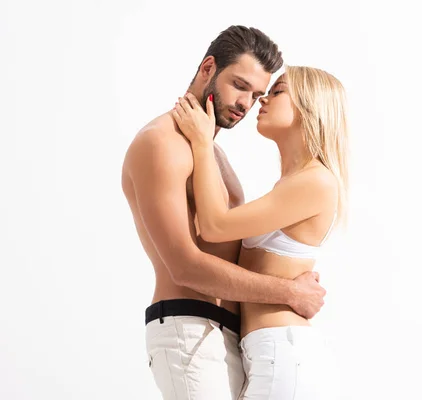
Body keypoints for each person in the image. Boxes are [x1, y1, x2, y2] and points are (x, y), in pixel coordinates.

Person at [121, 26, 326, 400]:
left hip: (229, 334)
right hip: (188, 330)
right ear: (208, 68)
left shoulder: (209, 151)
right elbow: (184, 265)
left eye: (257, 94)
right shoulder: (161, 143)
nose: (246, 103)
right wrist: (290, 293)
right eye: (239, 85)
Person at [172, 64, 349, 399]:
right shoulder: (291, 183)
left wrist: (200, 141)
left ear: (310, 107)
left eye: (278, 91)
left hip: (283, 354)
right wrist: (207, 140)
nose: (262, 100)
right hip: (266, 353)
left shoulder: (316, 181)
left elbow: (215, 226)